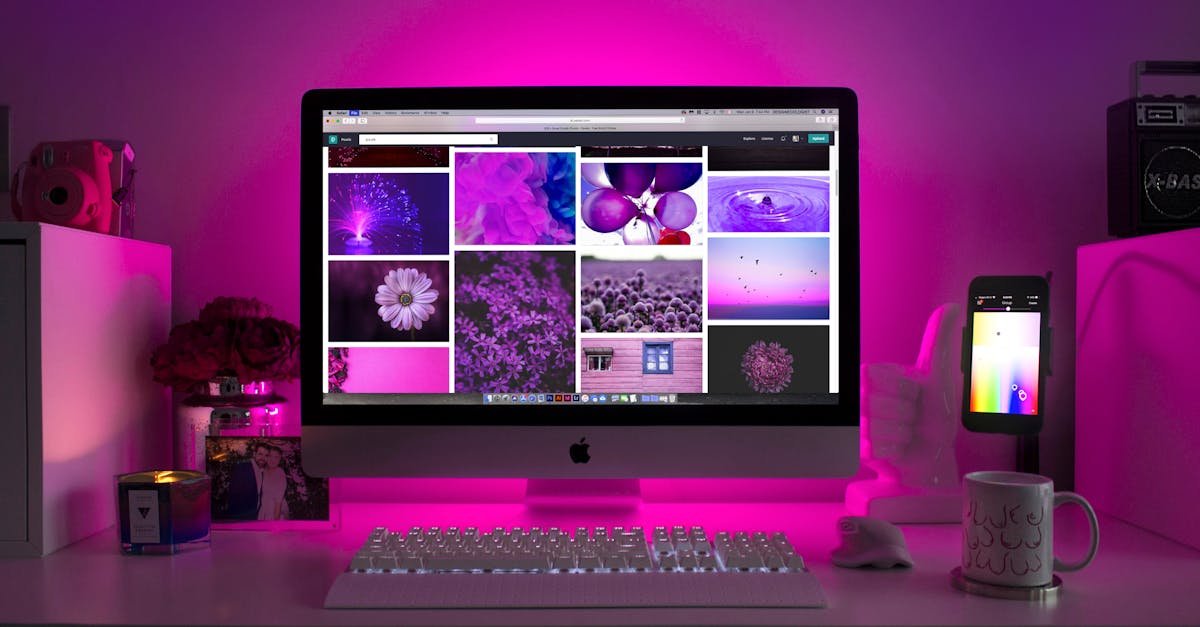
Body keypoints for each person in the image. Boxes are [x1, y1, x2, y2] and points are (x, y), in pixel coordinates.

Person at [226, 442, 269, 520]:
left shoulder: (264, 472)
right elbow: (233, 496)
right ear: (254, 454)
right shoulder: (242, 468)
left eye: (266, 455)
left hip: (256, 516)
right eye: (260, 454)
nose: (263, 458)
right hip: (242, 517)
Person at [258, 445, 290, 520]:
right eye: (270, 456)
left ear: (280, 459)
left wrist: (275, 523)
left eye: (276, 457)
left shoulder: (280, 474)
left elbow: (278, 503)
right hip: (263, 510)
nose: (273, 460)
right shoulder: (263, 471)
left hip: (275, 512)